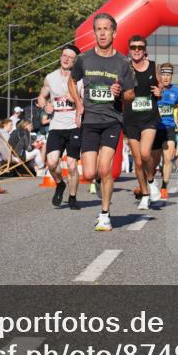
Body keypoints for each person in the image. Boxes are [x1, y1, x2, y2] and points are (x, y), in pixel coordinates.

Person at [66, 13, 136, 230]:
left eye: (107, 29)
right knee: (89, 173)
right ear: (94, 32)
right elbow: (72, 81)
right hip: (90, 121)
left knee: (105, 169)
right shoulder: (84, 59)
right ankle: (101, 186)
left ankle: (105, 214)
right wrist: (78, 103)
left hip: (112, 120)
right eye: (99, 29)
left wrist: (119, 93)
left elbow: (131, 94)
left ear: (114, 33)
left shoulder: (123, 62)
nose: (103, 33)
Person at [37, 44, 84, 209]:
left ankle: (72, 198)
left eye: (70, 58)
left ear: (75, 62)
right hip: (56, 126)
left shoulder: (80, 80)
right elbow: (41, 97)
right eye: (64, 55)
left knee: (72, 165)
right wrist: (45, 107)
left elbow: (87, 103)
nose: (66, 59)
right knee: (51, 163)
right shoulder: (50, 77)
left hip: (73, 125)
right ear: (60, 57)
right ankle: (60, 184)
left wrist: (76, 100)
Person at [123, 35, 161, 210]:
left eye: (139, 47)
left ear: (145, 50)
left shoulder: (154, 66)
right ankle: (145, 194)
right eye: (133, 47)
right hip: (131, 119)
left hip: (149, 117)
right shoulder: (124, 67)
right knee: (137, 162)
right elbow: (119, 90)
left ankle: (151, 180)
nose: (136, 50)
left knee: (146, 154)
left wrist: (159, 91)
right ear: (129, 49)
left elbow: (160, 86)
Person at [151, 63, 178, 198]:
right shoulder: (154, 89)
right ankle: (148, 182)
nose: (166, 77)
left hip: (169, 128)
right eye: (163, 74)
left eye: (168, 75)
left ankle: (164, 187)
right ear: (160, 75)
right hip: (155, 129)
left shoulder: (176, 90)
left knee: (168, 159)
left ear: (171, 76)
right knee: (155, 160)